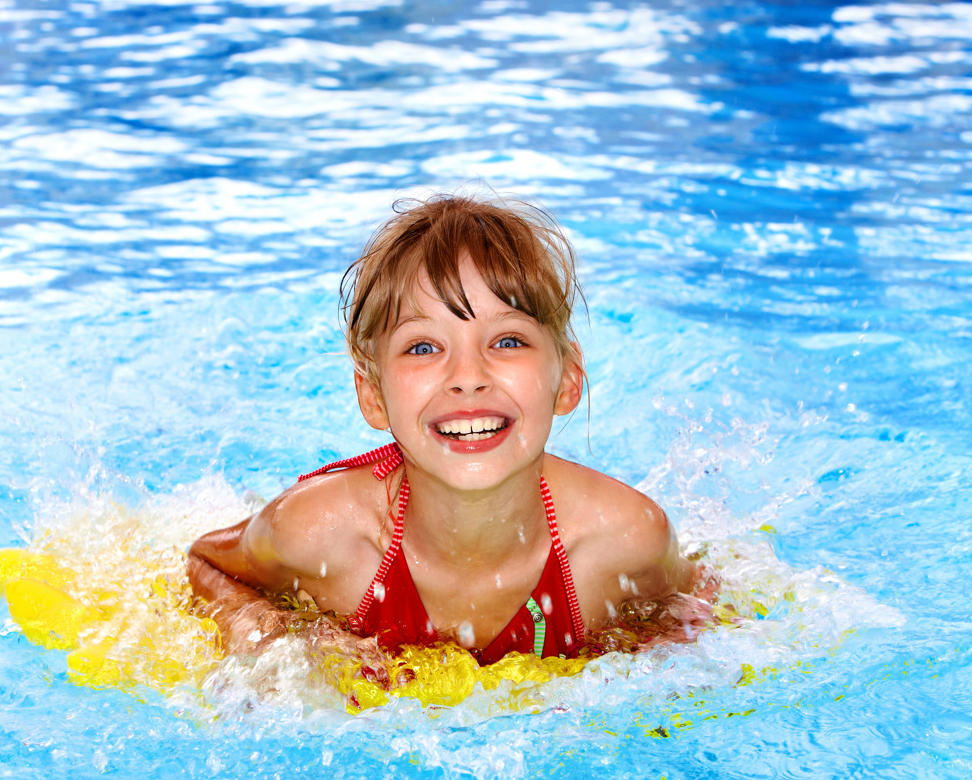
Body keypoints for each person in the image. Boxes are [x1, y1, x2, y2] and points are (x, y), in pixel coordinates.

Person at [187, 193, 702, 671]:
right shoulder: (321, 534)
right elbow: (205, 563)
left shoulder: (624, 540)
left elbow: (704, 612)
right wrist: (259, 630)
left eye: (507, 340)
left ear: (566, 378)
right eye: (423, 347)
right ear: (372, 394)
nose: (468, 377)